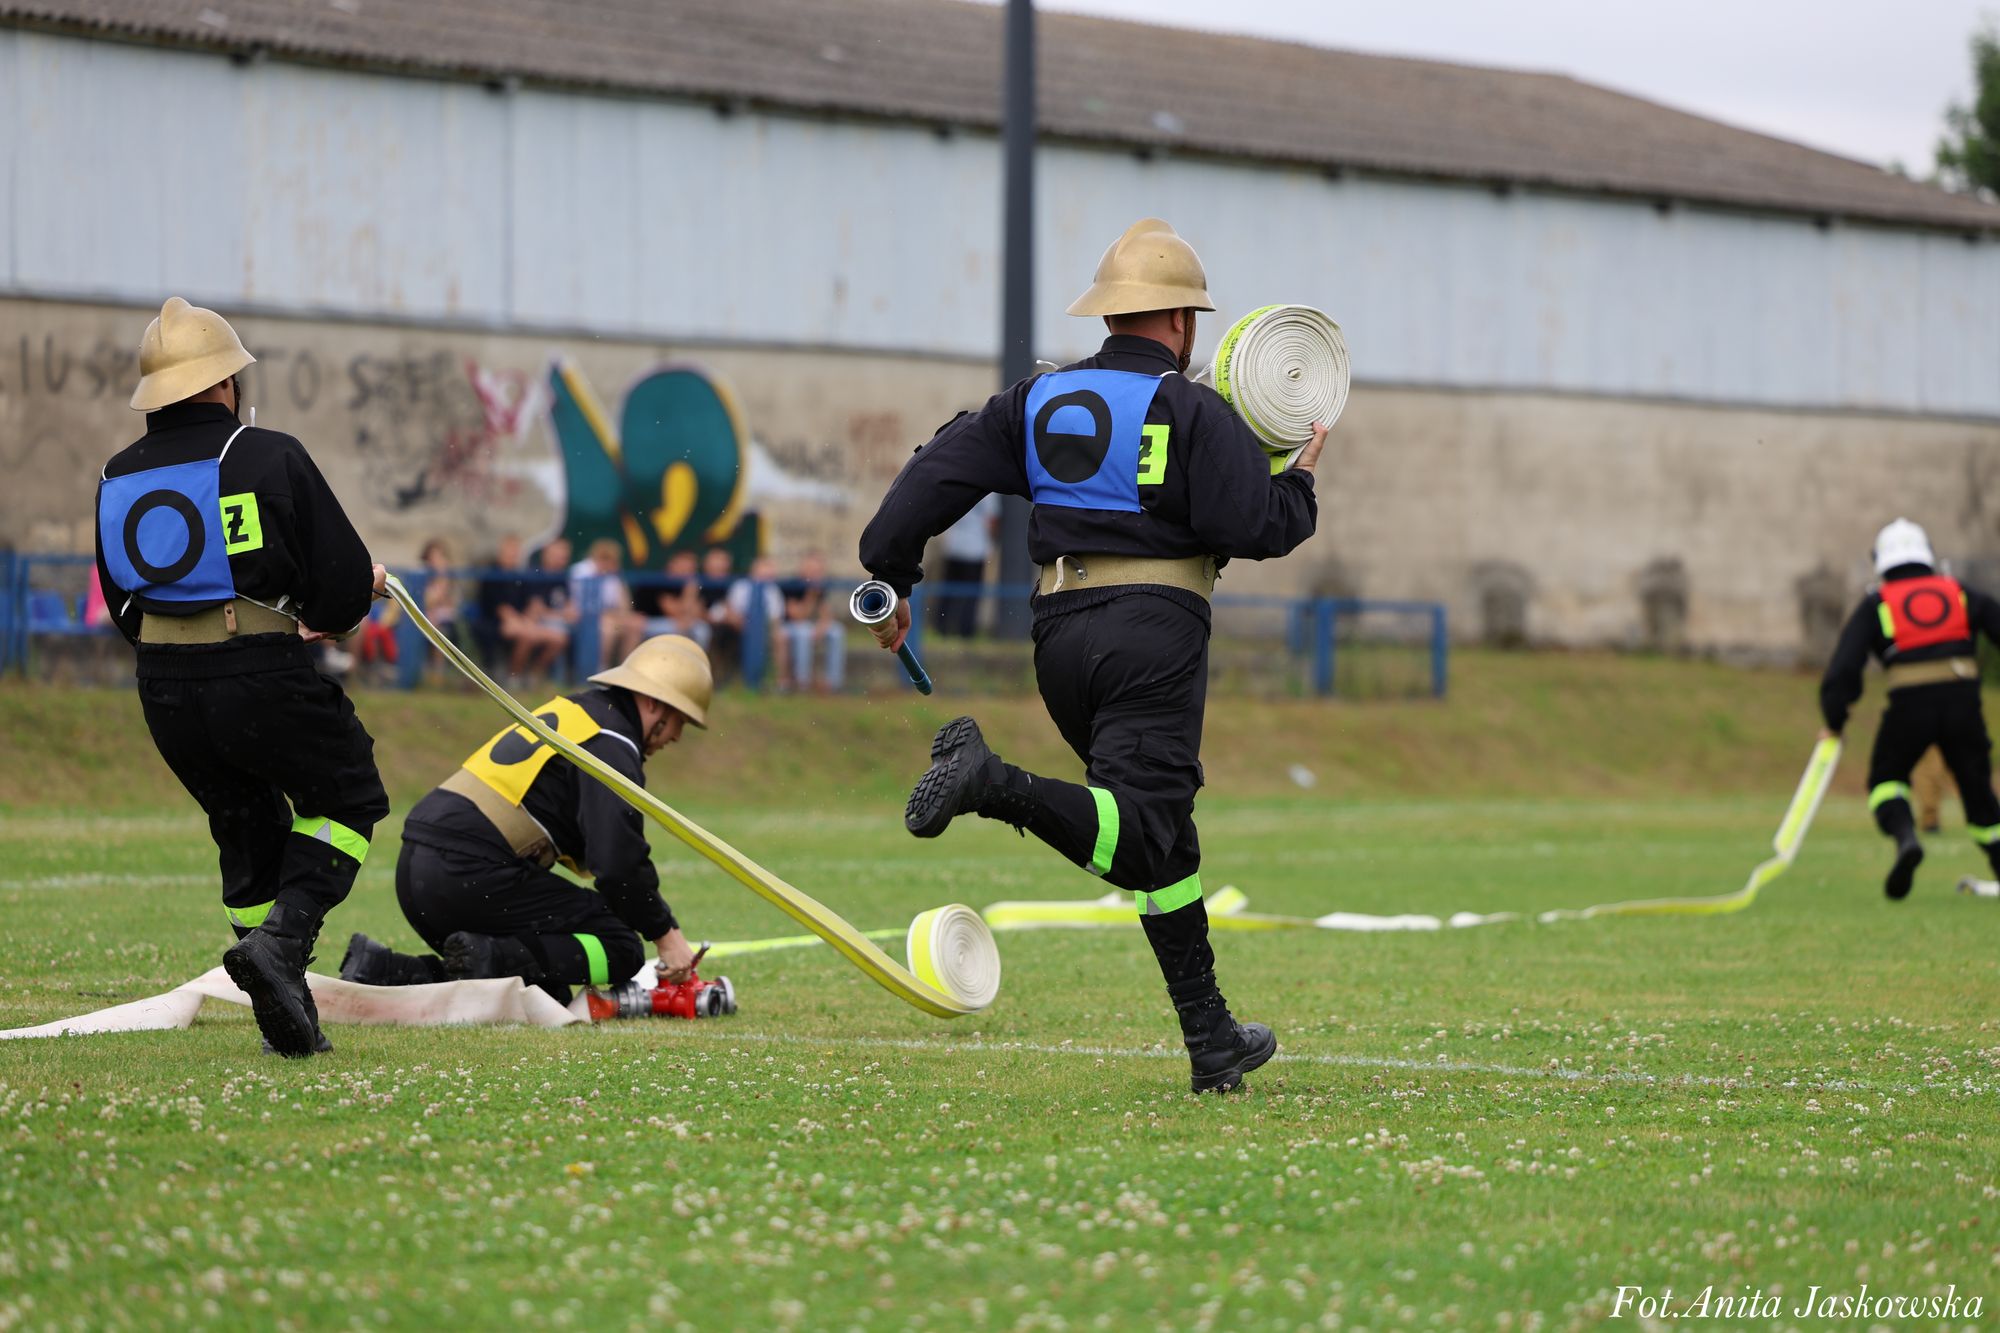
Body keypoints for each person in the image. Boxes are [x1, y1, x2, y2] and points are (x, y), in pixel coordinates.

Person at [856, 218, 1325, 1093]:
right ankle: (990, 782)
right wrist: (1298, 483)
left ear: (1109, 317)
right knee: (1143, 826)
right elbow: (1249, 527)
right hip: (1153, 630)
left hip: (1058, 636)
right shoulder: (1194, 407)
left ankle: (1211, 1036)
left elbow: (929, 475)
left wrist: (891, 571)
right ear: (1182, 323)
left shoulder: (1034, 400)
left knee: (1164, 841)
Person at [94, 297, 389, 1058]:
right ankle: (282, 944)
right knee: (347, 794)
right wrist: (331, 608)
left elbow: (123, 602)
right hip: (256, 669)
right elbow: (340, 580)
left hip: (161, 683)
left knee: (243, 822)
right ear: (225, 382)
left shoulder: (114, 474)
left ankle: (277, 994)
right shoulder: (266, 454)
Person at [340, 637, 712, 1002]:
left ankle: (388, 971)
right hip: (467, 873)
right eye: (680, 720)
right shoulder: (610, 741)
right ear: (652, 703)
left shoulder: (579, 714)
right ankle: (489, 959)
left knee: (542, 988)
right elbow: (617, 863)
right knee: (619, 946)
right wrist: (666, 935)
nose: (677, 736)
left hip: (417, 870)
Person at [1820, 518, 2000, 899]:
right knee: (1977, 790)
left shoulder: (1877, 604)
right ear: (1929, 556)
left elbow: (1843, 670)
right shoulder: (1959, 593)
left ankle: (1905, 838)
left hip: (1909, 705)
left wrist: (1835, 719)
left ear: (1881, 562)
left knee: (1886, 781)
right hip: (1962, 701)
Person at [479, 534, 568, 682]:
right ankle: (514, 676)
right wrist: (523, 622)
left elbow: (530, 604)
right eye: (510, 550)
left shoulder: (521, 576)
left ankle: (534, 675)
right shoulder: (492, 575)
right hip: (496, 623)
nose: (513, 554)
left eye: (516, 551)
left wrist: (529, 620)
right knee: (526, 636)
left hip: (522, 621)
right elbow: (501, 609)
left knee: (558, 639)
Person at [570, 537, 645, 666]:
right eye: (605, 558)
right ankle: (601, 669)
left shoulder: (613, 576)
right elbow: (584, 604)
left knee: (636, 625)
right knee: (607, 630)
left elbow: (624, 606)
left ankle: (625, 670)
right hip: (586, 618)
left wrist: (619, 579)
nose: (610, 563)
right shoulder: (581, 570)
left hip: (611, 617)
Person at [932, 494, 999, 637]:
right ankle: (965, 630)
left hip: (954, 546)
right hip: (975, 549)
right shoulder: (990, 490)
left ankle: (942, 627)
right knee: (971, 593)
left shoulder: (958, 480)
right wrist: (992, 543)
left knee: (948, 590)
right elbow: (992, 519)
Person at [782, 552, 846, 694]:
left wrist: (820, 629)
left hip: (811, 626)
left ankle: (833, 683)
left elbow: (826, 615)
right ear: (802, 569)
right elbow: (796, 615)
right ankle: (803, 683)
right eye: (811, 570)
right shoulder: (792, 585)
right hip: (789, 627)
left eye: (818, 571)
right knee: (804, 632)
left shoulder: (820, 587)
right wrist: (811, 595)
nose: (815, 574)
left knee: (836, 631)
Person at [726, 554, 788, 685]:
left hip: (765, 628)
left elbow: (776, 618)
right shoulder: (740, 586)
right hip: (739, 627)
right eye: (764, 567)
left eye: (769, 568)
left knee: (780, 637)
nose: (768, 571)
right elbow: (731, 611)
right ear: (753, 569)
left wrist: (766, 631)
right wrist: (747, 627)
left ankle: (781, 682)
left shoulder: (773, 590)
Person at [699, 546, 741, 675]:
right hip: (705, 627)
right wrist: (707, 617)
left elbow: (740, 619)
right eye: (714, 560)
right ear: (706, 564)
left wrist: (731, 617)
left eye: (722, 561)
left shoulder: (736, 585)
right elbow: (693, 612)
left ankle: (734, 676)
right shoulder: (696, 583)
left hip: (730, 630)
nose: (718, 565)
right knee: (701, 631)